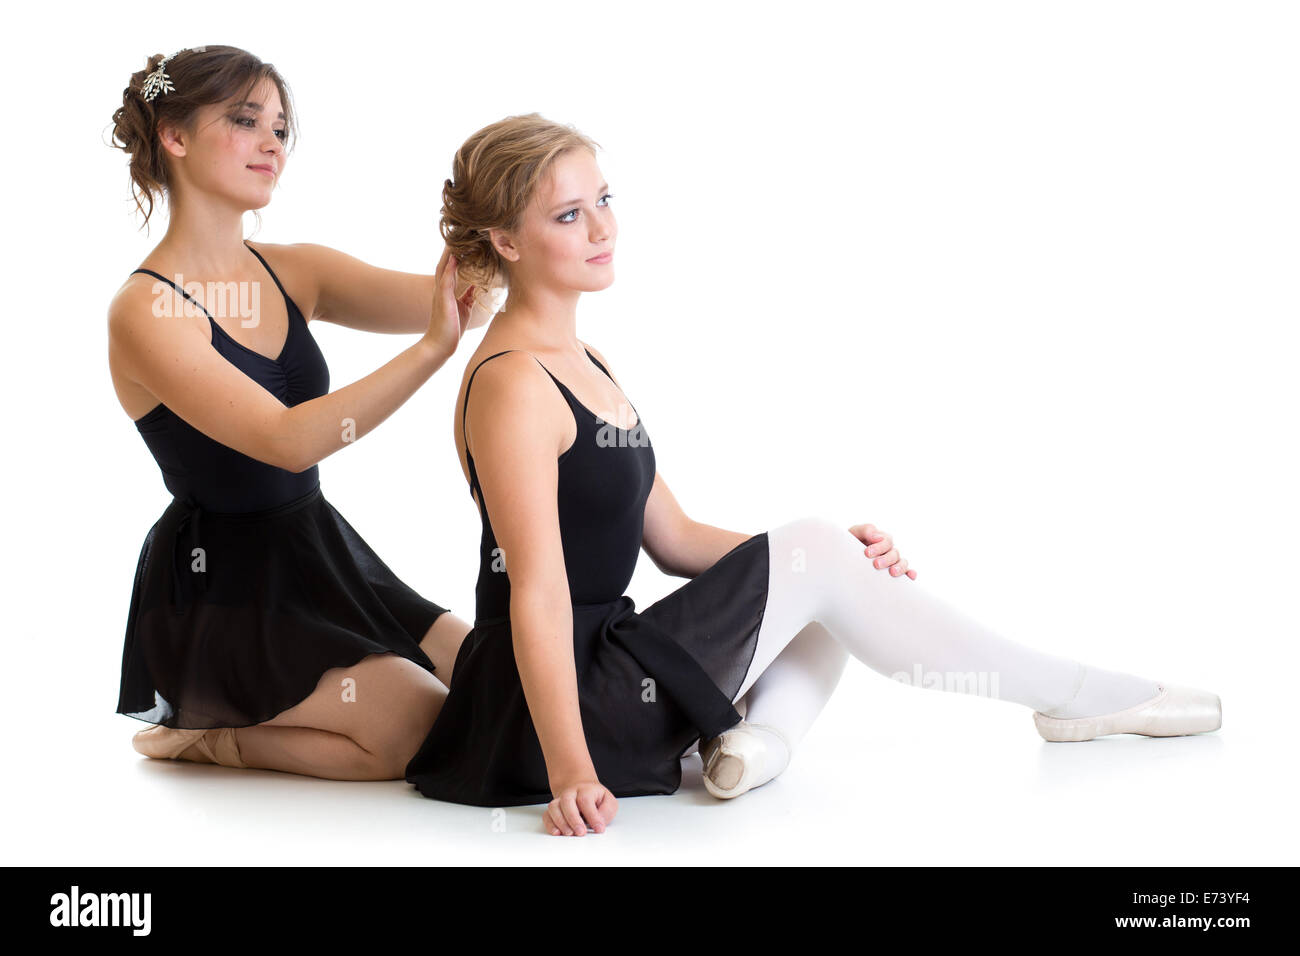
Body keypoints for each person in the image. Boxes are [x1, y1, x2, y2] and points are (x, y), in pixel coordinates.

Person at [403, 113, 1222, 837]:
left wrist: (826, 563)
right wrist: (571, 770)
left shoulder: (584, 359)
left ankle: (756, 748)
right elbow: (535, 592)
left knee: (828, 575)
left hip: (608, 665)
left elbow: (675, 537)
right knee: (819, 564)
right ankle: (1078, 695)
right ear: (505, 241)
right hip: (559, 709)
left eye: (605, 200)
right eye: (569, 215)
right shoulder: (513, 383)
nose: (601, 229)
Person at [107, 45, 478, 780]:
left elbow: (465, 299)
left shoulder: (295, 269)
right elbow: (286, 440)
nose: (272, 143)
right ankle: (206, 737)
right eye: (246, 121)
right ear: (174, 136)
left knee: (490, 672)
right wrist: (437, 350)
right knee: (419, 727)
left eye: (280, 127)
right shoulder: (144, 310)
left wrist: (505, 215)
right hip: (221, 589)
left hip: (321, 551)